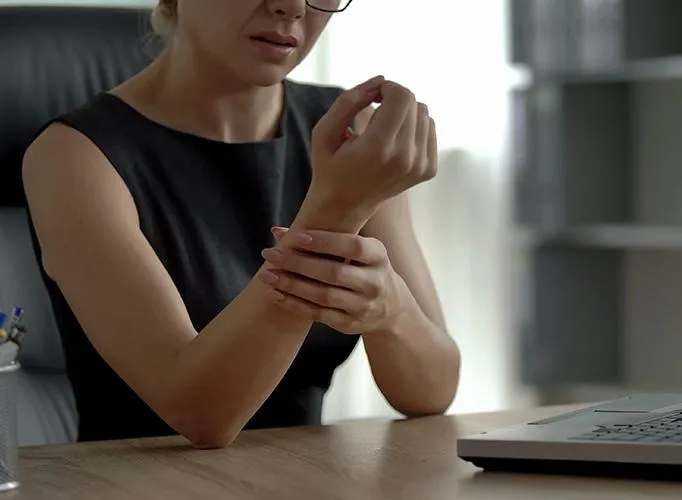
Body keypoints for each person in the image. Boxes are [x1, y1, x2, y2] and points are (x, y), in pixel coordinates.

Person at [22, 0, 460, 448]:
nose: (290, 6)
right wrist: (340, 207)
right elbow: (199, 414)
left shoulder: (348, 133)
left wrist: (391, 311)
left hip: (303, 479)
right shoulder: (71, 156)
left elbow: (432, 393)